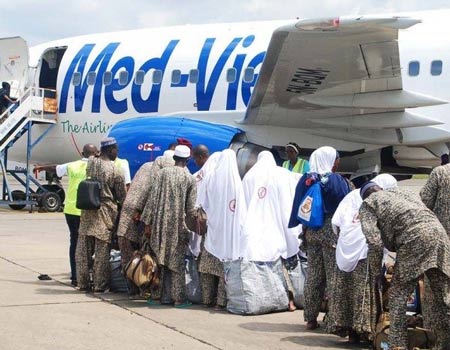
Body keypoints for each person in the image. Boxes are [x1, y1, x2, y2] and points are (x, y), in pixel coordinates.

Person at [359, 183, 450, 350]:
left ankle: (396, 345)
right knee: (445, 297)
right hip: (439, 235)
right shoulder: (402, 190)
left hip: (413, 240)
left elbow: (374, 242)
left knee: (397, 296)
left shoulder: (368, 204)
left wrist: (376, 272)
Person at [288, 146, 351, 330]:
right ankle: (334, 319)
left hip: (311, 233)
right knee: (333, 277)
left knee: (314, 276)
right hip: (330, 233)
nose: (337, 163)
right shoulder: (336, 181)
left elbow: (299, 206)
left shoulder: (306, 179)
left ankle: (310, 318)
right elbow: (345, 205)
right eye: (336, 160)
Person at [330, 174, 397, 343]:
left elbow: (335, 222)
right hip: (364, 250)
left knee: (345, 291)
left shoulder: (352, 195)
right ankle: (363, 331)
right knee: (363, 291)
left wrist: (344, 241)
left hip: (344, 249)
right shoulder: (381, 199)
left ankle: (349, 332)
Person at [242, 150, 302, 312]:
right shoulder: (282, 174)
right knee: (285, 266)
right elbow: (290, 199)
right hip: (280, 225)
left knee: (265, 269)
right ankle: (290, 300)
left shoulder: (249, 176)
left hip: (256, 229)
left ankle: (272, 301)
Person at [34, 143, 98, 286]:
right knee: (91, 243)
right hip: (88, 210)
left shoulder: (73, 165)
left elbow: (55, 168)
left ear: (82, 153)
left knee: (74, 242)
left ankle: (75, 275)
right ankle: (87, 273)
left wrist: (40, 167)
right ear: (96, 153)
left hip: (71, 209)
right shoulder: (98, 167)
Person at [141, 145, 197, 307]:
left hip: (159, 223)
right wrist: (193, 228)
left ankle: (158, 296)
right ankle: (178, 299)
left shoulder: (161, 174)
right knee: (176, 262)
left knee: (158, 260)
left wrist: (147, 222)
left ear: (174, 159)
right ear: (187, 160)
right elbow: (190, 208)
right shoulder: (190, 179)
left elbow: (152, 199)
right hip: (177, 227)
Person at [116, 150, 175, 296]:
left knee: (129, 256)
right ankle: (144, 289)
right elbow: (149, 203)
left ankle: (132, 289)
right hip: (138, 218)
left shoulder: (146, 167)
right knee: (145, 259)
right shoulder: (159, 175)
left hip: (127, 214)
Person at [76, 137, 127, 292]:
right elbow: (121, 196)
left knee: (83, 251)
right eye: (116, 150)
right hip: (105, 212)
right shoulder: (115, 170)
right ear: (111, 150)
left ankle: (83, 283)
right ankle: (99, 285)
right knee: (101, 252)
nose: (117, 153)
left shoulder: (91, 163)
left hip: (88, 210)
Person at [193, 150, 227, 309]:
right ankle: (220, 303)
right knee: (222, 272)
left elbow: (200, 204)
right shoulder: (232, 182)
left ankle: (207, 300)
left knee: (206, 268)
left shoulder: (209, 179)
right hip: (224, 236)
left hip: (210, 232)